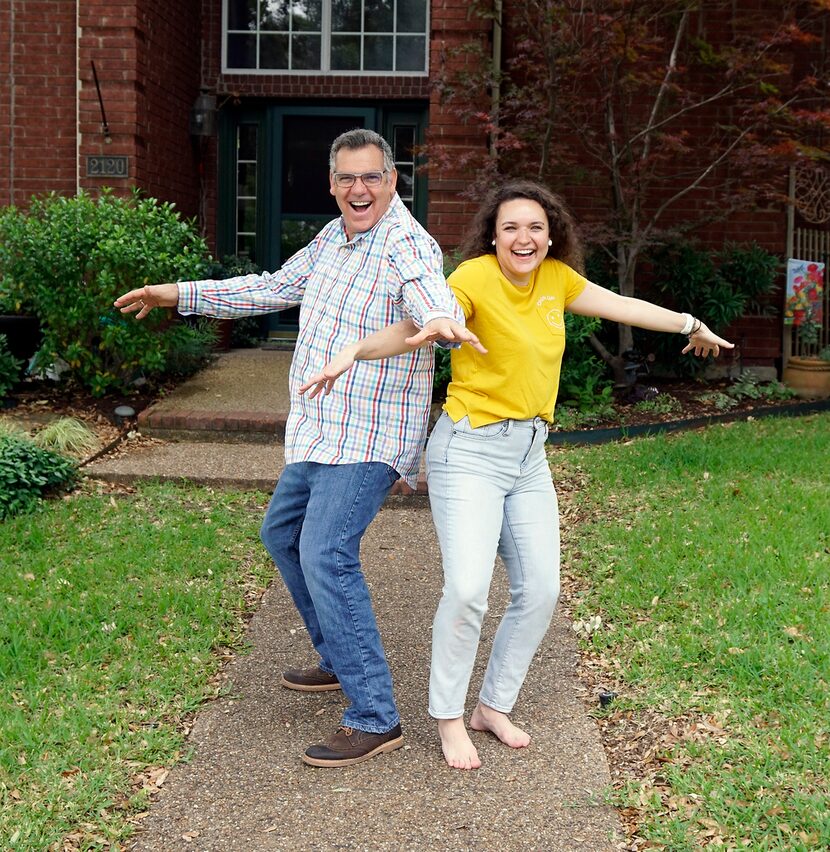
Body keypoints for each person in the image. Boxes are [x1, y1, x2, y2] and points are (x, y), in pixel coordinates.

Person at [299, 179, 733, 770]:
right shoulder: (474, 279)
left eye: (534, 227)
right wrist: (353, 353)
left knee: (541, 590)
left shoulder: (557, 280)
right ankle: (449, 718)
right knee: (469, 589)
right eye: (510, 228)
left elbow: (621, 305)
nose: (523, 238)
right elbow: (420, 323)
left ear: (551, 234)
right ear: (493, 237)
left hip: (529, 454)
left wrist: (690, 324)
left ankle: (492, 706)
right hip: (469, 452)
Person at [114, 128, 485, 768]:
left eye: (371, 177)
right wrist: (178, 294)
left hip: (370, 434)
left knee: (325, 550)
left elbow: (429, 291)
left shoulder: (406, 242)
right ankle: (339, 657)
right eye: (347, 179)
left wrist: (441, 319)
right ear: (333, 184)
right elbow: (271, 287)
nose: (359, 189)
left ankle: (375, 715)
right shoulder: (332, 239)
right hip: (318, 429)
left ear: (393, 181)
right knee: (283, 534)